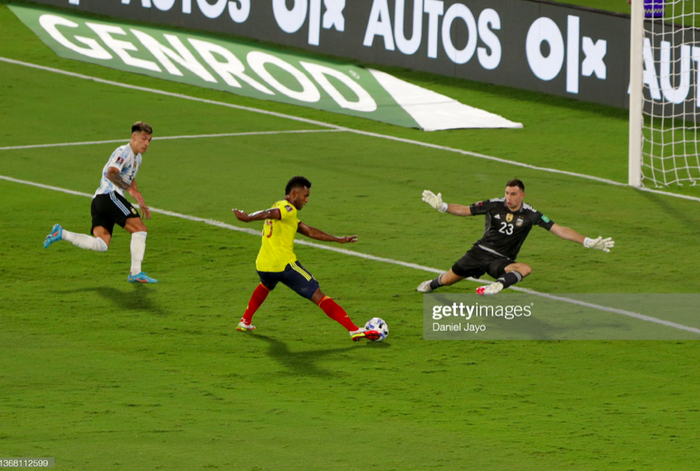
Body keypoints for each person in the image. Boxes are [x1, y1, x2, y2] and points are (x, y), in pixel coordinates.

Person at [233, 176, 380, 342]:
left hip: (263, 266)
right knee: (318, 294)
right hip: (284, 266)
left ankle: (245, 321)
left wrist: (338, 239)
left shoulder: (284, 210)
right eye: (305, 196)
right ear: (294, 194)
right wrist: (248, 217)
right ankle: (353, 329)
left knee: (265, 285)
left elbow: (309, 231)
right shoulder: (288, 208)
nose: (307, 200)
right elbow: (269, 213)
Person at [417, 179, 614, 295]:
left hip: (502, 260)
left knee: (525, 268)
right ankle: (432, 284)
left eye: (513, 194)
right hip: (479, 253)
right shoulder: (494, 205)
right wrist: (443, 207)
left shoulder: (531, 214)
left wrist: (587, 241)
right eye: (506, 193)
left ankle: (498, 285)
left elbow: (559, 229)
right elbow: (466, 210)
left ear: (522, 195)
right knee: (448, 280)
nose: (508, 198)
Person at [43, 121, 158, 283]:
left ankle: (61, 233)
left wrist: (139, 197)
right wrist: (131, 191)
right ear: (134, 137)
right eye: (144, 139)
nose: (147, 143)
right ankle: (135, 273)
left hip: (98, 201)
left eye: (149, 140)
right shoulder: (124, 152)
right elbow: (111, 173)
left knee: (101, 244)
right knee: (140, 229)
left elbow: (129, 178)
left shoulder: (137, 158)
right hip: (109, 196)